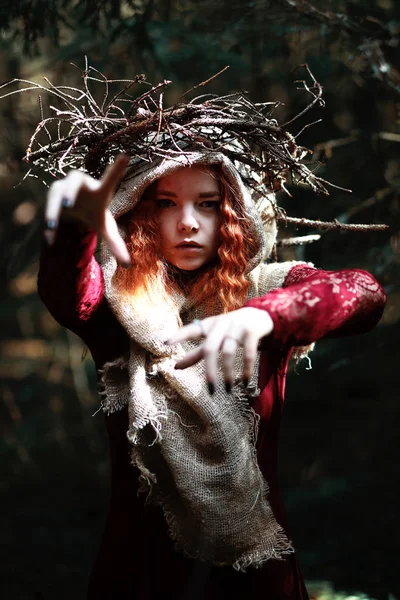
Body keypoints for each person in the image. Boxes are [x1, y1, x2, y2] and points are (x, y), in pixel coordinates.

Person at [38, 151, 386, 600]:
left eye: (207, 203)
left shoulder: (269, 288)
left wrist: (268, 317)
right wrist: (74, 226)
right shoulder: (116, 304)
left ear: (235, 213)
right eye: (165, 203)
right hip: (139, 572)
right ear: (139, 212)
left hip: (258, 574)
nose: (187, 222)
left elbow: (365, 293)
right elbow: (66, 292)